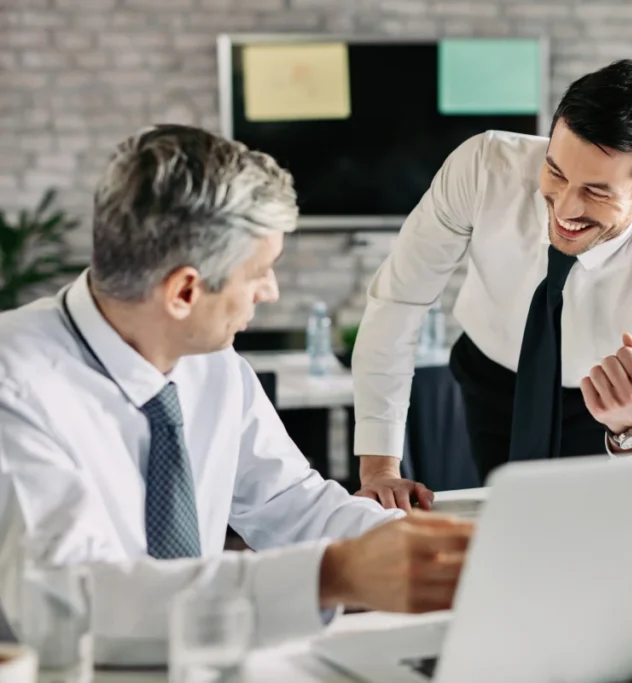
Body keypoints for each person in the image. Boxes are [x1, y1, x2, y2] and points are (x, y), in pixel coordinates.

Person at [0, 125, 473, 665]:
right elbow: (70, 602)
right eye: (260, 272)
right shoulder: (14, 384)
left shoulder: (214, 364)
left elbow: (290, 502)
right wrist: (332, 575)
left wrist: (439, 551)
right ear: (184, 291)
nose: (270, 291)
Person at [352, 59, 632, 510]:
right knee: (501, 517)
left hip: (600, 409)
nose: (565, 208)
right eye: (556, 172)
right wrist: (380, 469)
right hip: (486, 375)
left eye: (596, 191)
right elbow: (399, 301)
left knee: (587, 526)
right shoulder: (482, 169)